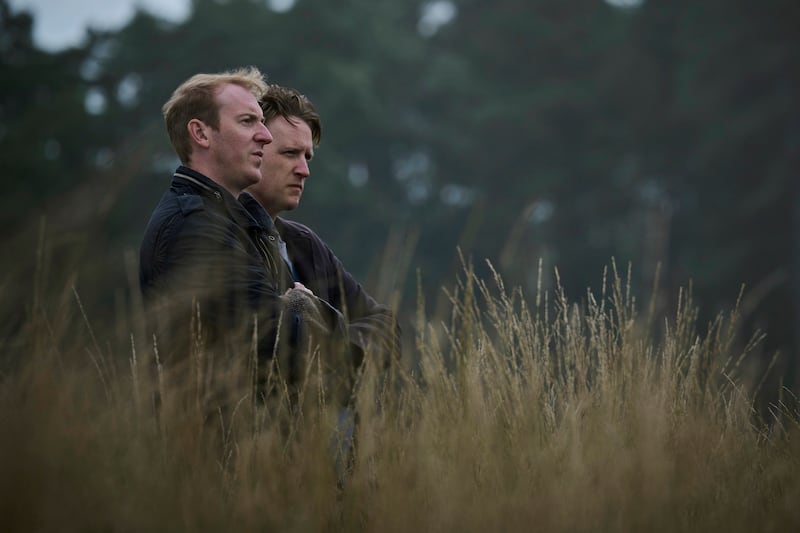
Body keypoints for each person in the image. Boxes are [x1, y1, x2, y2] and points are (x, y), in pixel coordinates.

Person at [139, 68, 344, 420]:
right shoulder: (195, 227)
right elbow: (280, 341)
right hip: (218, 460)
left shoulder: (227, 222)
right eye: (249, 121)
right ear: (201, 133)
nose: (265, 136)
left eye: (262, 123)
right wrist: (312, 308)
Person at [238, 84, 401, 400]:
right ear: (252, 148)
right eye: (289, 154)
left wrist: (332, 339)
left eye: (307, 156)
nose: (304, 170)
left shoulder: (304, 243)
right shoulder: (221, 239)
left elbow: (385, 326)